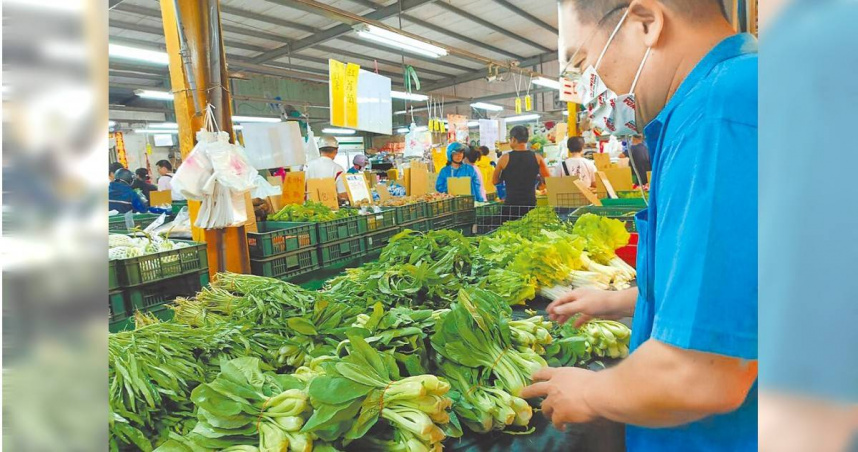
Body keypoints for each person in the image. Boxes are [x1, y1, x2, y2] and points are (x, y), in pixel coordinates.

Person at [522, 2, 757, 451]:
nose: (588, 86)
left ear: (646, 23)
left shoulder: (721, 113)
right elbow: (735, 289)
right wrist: (621, 301)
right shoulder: (719, 100)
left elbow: (702, 375)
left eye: (583, 61)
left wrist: (589, 391)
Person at [492, 125, 550, 215]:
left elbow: (495, 181)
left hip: (511, 205)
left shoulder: (504, 158)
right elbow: (549, 180)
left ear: (514, 139)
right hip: (530, 205)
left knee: (509, 228)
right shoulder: (537, 158)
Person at [305, 135, 348, 201]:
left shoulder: (307, 166)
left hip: (310, 208)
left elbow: (302, 189)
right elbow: (342, 195)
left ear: (319, 150)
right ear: (336, 150)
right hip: (330, 208)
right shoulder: (338, 169)